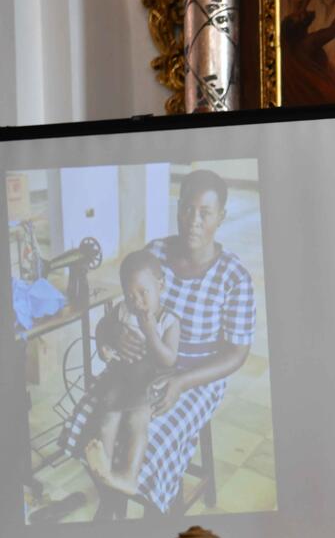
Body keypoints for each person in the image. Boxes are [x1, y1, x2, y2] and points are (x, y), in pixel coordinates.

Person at [62, 169, 256, 515]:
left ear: (221, 218)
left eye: (205, 213)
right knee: (92, 413)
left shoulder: (234, 276)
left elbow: (237, 353)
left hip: (196, 377)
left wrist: (181, 380)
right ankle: (113, 504)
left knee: (151, 431)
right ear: (177, 208)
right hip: (141, 369)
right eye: (186, 209)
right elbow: (120, 310)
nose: (193, 221)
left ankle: (132, 512)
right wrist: (112, 334)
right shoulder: (156, 254)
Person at [83, 250, 180, 497]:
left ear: (160, 285)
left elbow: (169, 359)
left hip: (148, 382)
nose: (136, 301)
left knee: (137, 424)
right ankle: (103, 470)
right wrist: (105, 348)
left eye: (143, 293)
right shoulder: (123, 310)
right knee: (108, 417)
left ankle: (129, 477)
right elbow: (106, 331)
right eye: (129, 294)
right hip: (121, 377)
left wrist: (151, 334)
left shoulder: (168, 320)